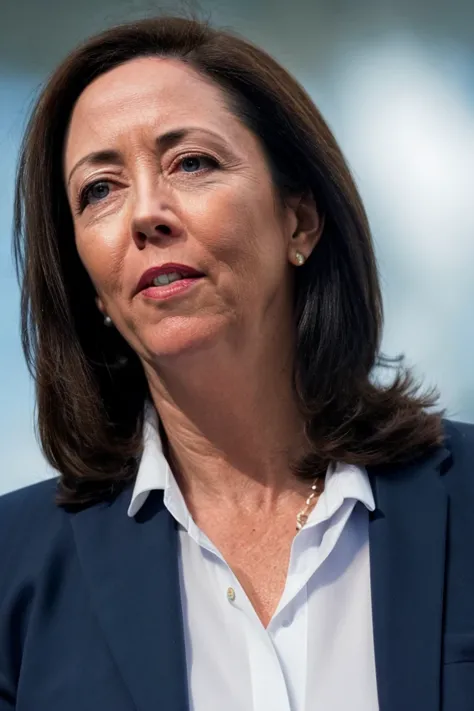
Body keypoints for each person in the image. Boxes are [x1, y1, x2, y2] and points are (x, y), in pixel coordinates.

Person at [0, 14, 473, 711]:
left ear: (300, 222)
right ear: (89, 283)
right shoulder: (13, 567)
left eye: (190, 162)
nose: (145, 213)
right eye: (99, 188)